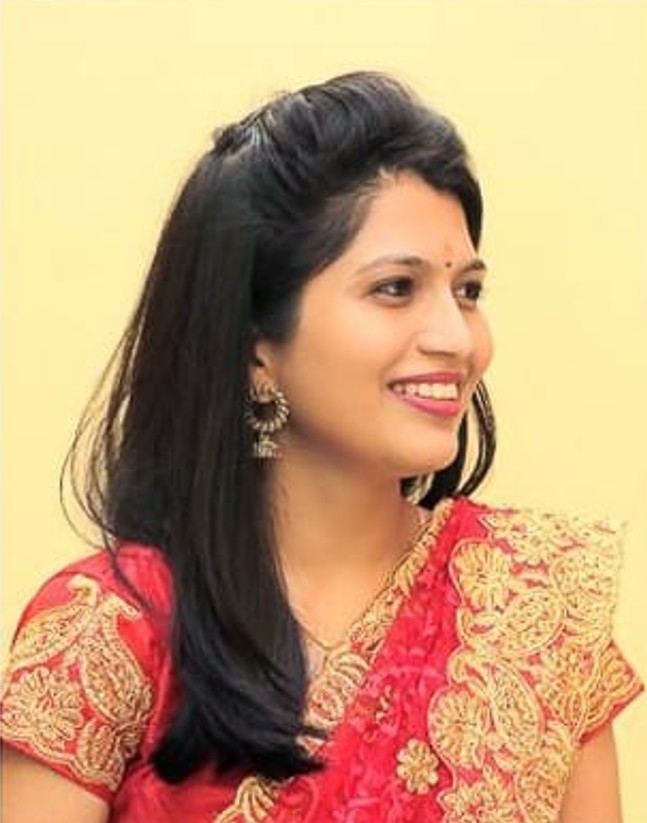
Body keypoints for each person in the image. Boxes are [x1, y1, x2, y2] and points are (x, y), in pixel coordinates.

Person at [1, 71, 642, 823]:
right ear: (256, 346)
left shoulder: (530, 611)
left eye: (466, 291)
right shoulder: (111, 634)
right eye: (395, 288)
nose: (457, 338)